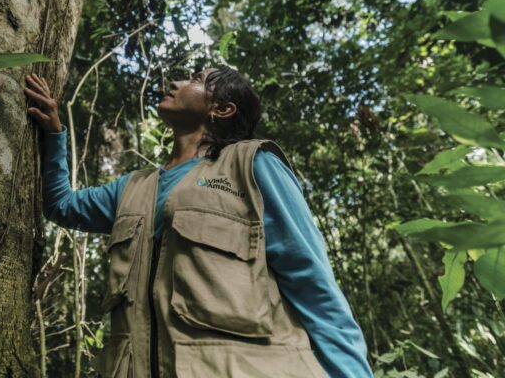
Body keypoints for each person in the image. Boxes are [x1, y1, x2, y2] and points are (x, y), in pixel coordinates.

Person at [23, 66, 372, 378]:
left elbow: (311, 279)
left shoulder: (253, 164)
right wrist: (54, 133)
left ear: (222, 109)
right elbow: (61, 206)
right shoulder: (132, 187)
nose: (174, 82)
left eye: (195, 79)